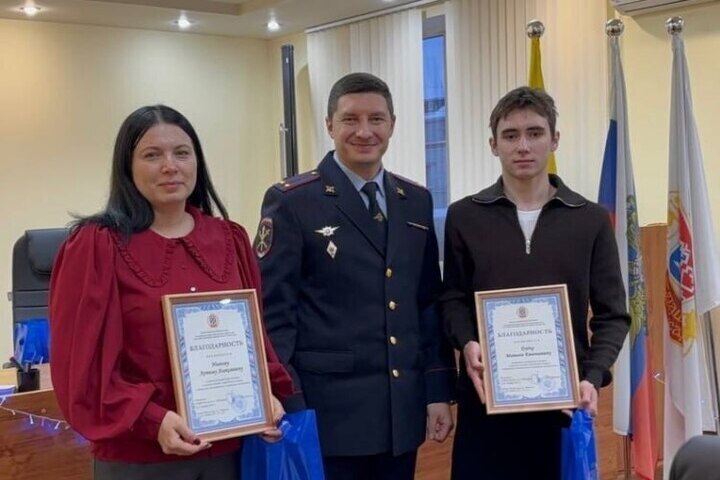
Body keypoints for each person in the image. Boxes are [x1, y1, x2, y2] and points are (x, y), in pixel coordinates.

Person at [49, 105, 294, 480]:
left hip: (228, 454)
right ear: (127, 166)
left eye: (182, 153)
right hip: (139, 457)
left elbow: (256, 340)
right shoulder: (96, 246)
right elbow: (81, 370)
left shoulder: (230, 239)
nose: (170, 166)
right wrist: (152, 419)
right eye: (152, 155)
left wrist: (264, 397)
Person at [254, 72, 455, 479]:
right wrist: (288, 401)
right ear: (330, 125)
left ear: (392, 125)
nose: (364, 131)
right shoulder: (293, 201)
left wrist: (437, 390)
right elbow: (273, 317)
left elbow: (426, 304)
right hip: (328, 415)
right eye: (350, 119)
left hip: (400, 414)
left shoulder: (415, 201)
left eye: (376, 119)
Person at [441, 86, 630, 479]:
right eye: (510, 135)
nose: (523, 146)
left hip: (563, 406)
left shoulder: (590, 219)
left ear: (554, 139)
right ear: (493, 144)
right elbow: (453, 298)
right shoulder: (464, 216)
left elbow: (613, 315)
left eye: (535, 133)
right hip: (486, 404)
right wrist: (467, 341)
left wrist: (592, 376)